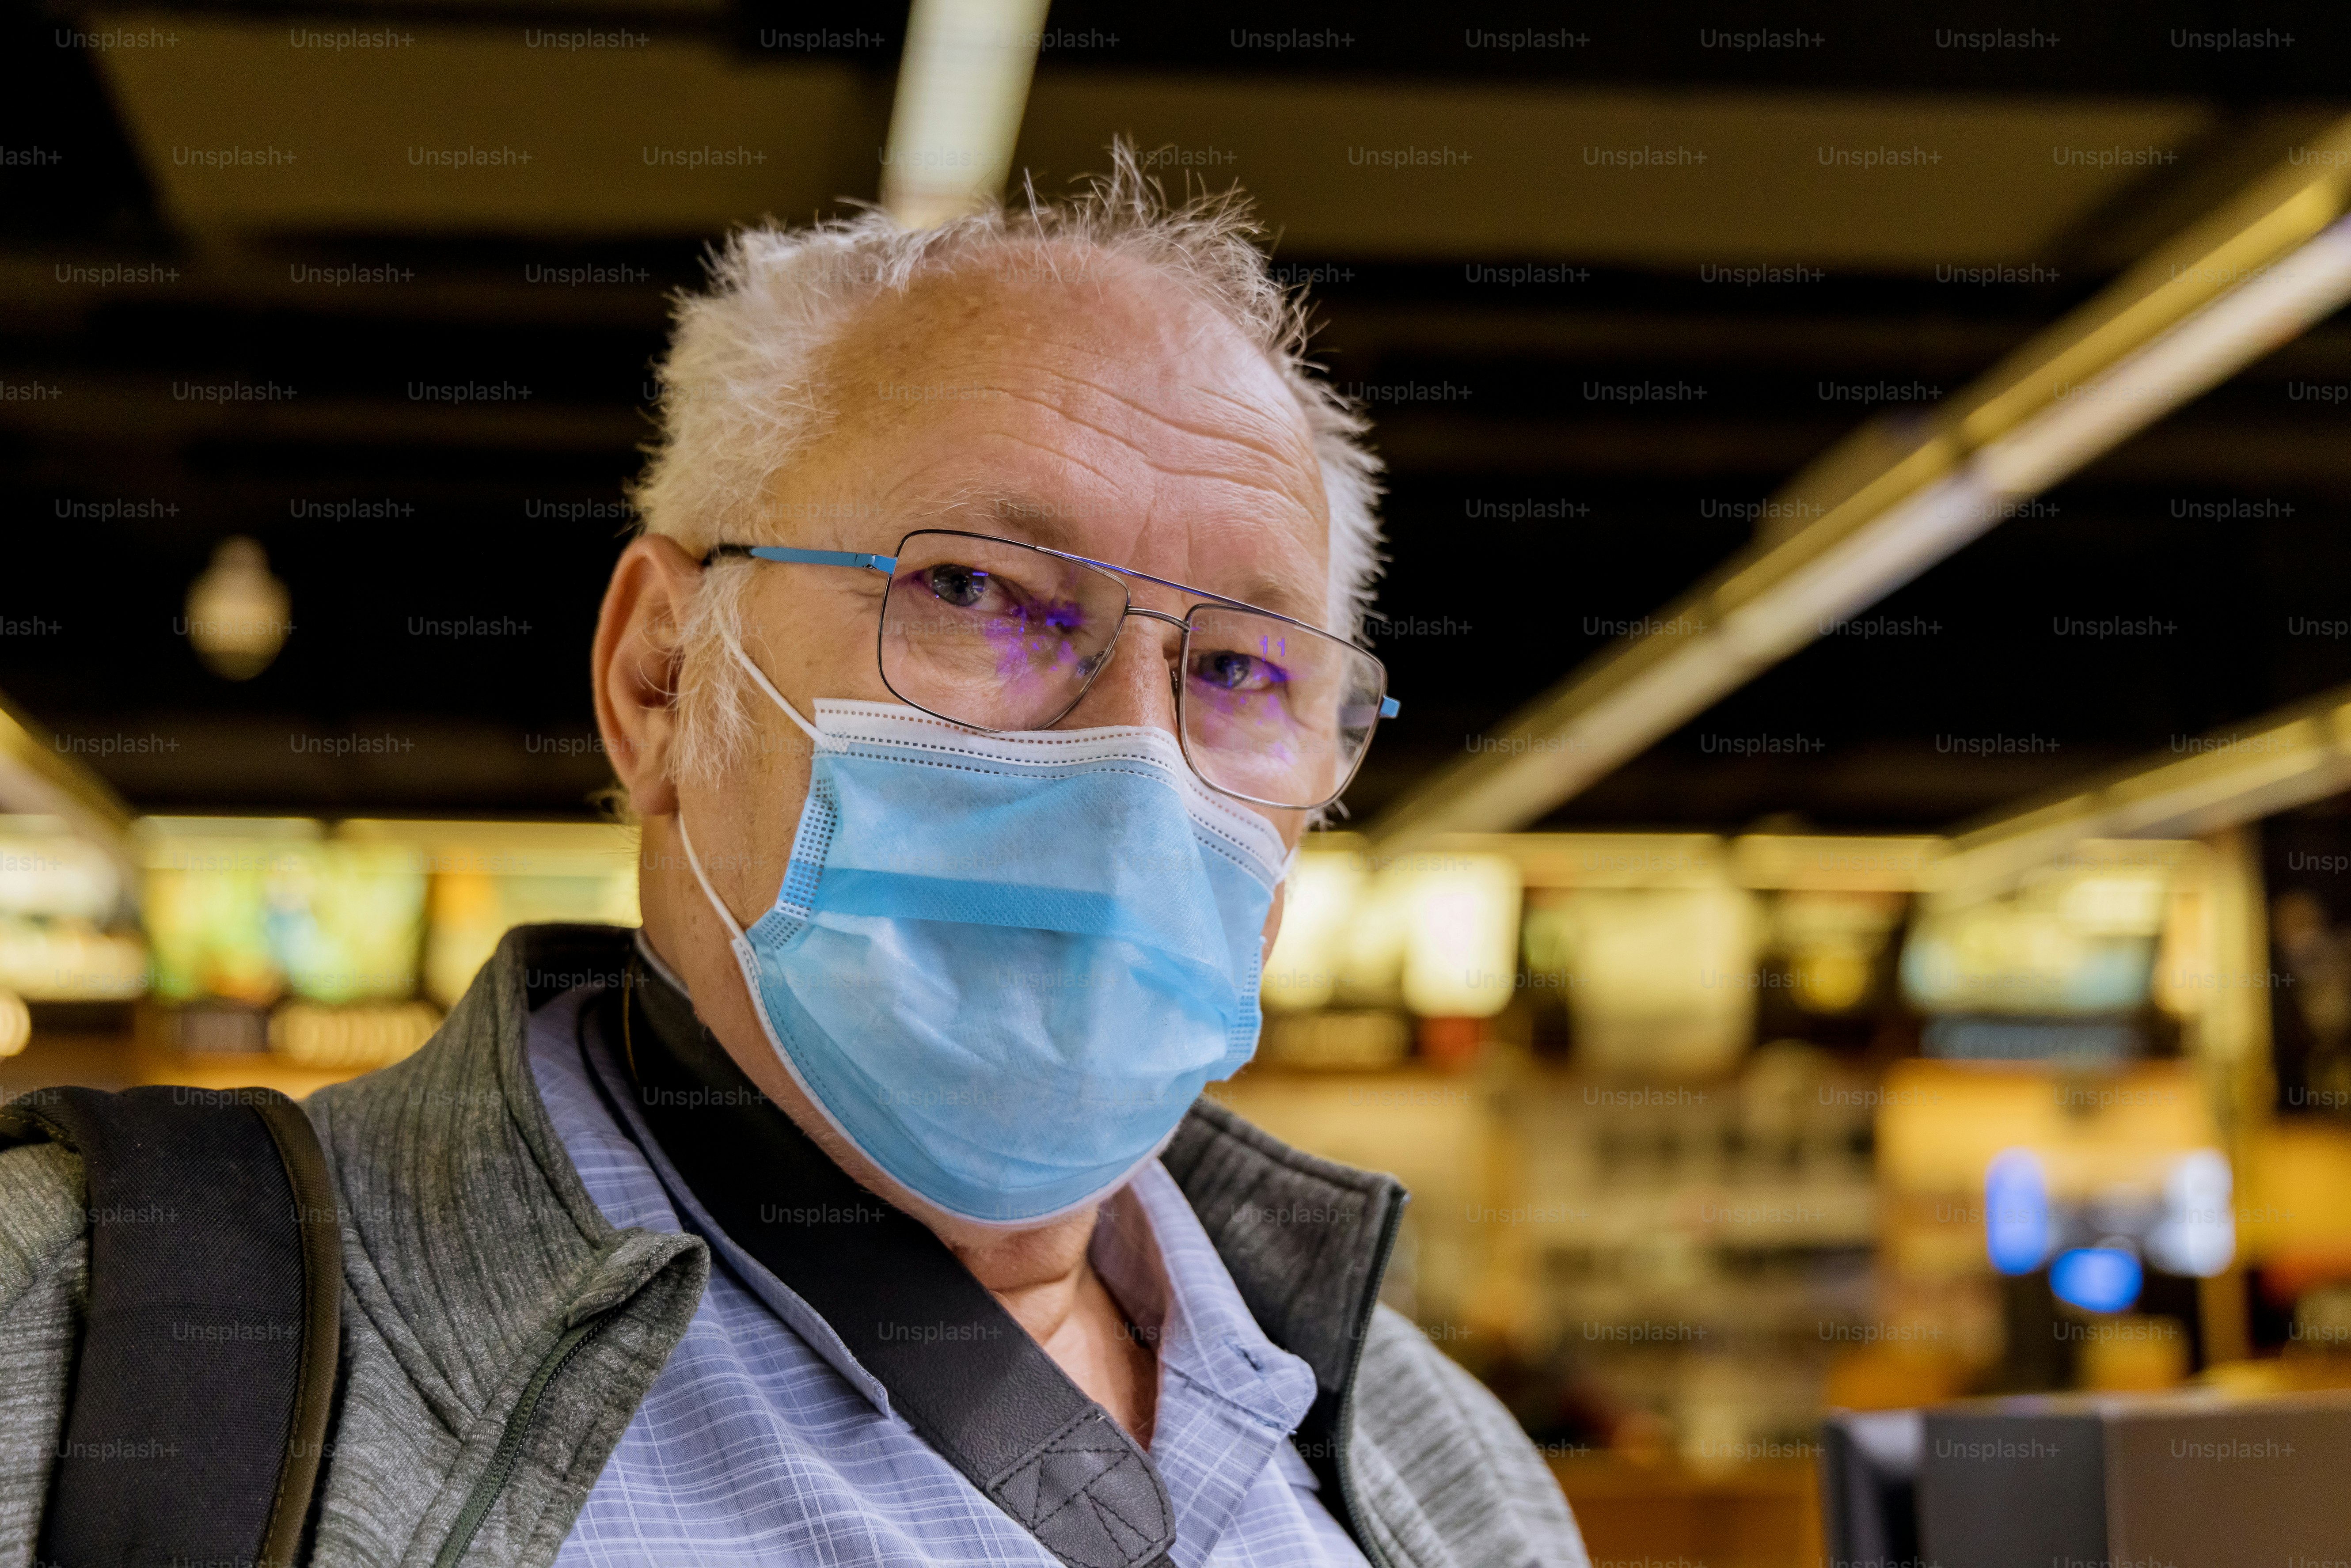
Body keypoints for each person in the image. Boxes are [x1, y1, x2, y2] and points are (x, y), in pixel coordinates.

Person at [0, 151, 1586, 1568]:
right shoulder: (92, 1335)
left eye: (1240, 669)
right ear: (660, 679)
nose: (1131, 756)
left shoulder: (1434, 1467)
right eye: (974, 591)